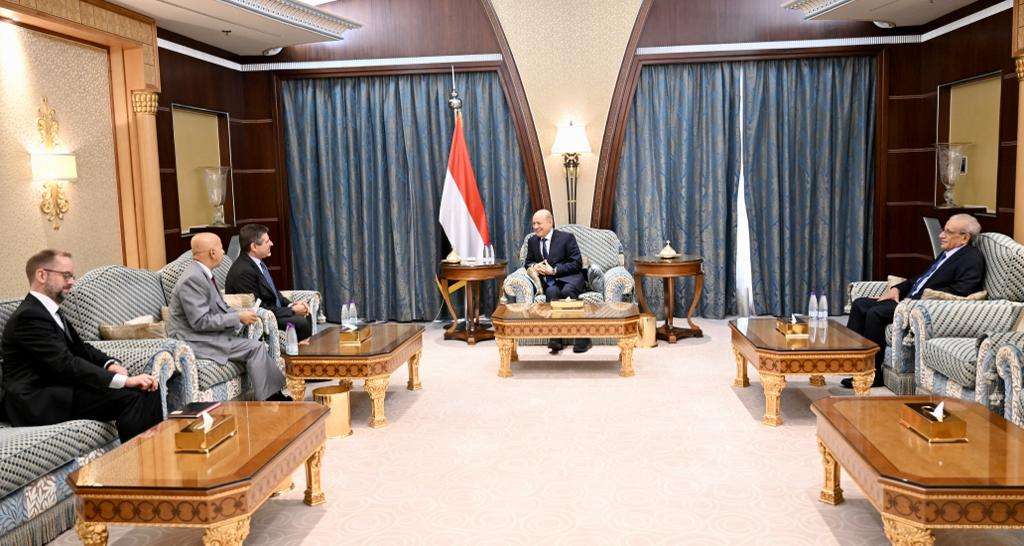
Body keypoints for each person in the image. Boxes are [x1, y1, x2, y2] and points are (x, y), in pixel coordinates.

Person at [1, 250, 162, 442]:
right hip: (39, 400)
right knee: (131, 397)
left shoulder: (50, 311)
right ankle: (137, 457)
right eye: (66, 275)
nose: (72, 282)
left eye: (72, 276)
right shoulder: (28, 316)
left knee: (149, 389)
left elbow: (81, 348)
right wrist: (123, 381)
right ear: (42, 275)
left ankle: (155, 453)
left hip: (62, 389)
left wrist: (109, 363)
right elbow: (65, 363)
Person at [842, 213, 986, 389]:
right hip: (908, 300)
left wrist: (923, 297)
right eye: (943, 230)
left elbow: (962, 291)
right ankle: (850, 364)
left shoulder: (971, 258)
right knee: (860, 304)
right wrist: (897, 289)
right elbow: (921, 279)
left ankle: (872, 374)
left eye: (948, 232)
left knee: (876, 313)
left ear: (964, 237)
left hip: (924, 307)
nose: (941, 235)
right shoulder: (947, 253)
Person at [166, 233, 290, 401]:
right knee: (255, 348)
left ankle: (275, 395)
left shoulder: (202, 273)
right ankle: (272, 400)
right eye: (221, 248)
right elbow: (200, 321)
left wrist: (241, 316)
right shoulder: (193, 279)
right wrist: (238, 318)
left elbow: (221, 307)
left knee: (258, 346)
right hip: (194, 341)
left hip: (205, 336)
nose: (224, 252)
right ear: (212, 253)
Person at [225, 224, 312, 341]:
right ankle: (297, 350)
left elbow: (273, 293)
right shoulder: (243, 271)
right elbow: (257, 307)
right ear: (254, 246)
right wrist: (292, 311)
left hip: (273, 312)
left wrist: (291, 305)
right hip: (263, 319)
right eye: (267, 241)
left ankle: (304, 348)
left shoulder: (258, 263)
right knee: (301, 322)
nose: (271, 243)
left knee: (306, 314)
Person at [525, 209, 591, 354]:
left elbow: (577, 263)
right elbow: (528, 262)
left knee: (567, 292)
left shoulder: (566, 238)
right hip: (551, 282)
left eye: (538, 223)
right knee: (551, 292)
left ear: (550, 222)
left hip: (571, 278)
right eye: (534, 224)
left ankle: (583, 338)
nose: (535, 227)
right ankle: (555, 338)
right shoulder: (532, 241)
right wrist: (535, 266)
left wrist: (554, 270)